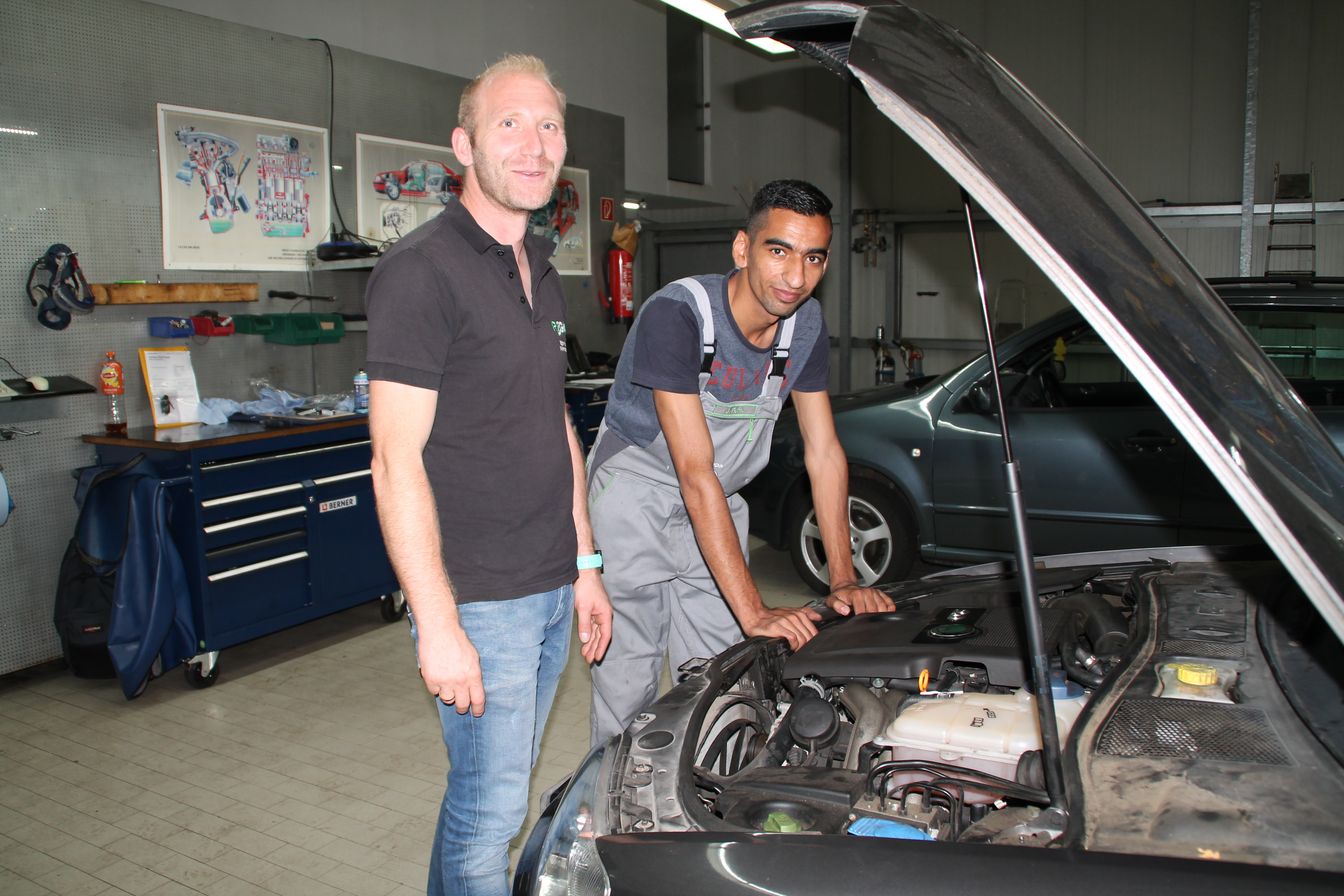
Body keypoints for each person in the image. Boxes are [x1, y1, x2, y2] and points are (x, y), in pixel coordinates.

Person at [364, 54, 612, 896]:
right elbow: (393, 459)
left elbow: (554, 425)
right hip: (480, 599)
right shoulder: (421, 271)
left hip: (549, 583)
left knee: (482, 801)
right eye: (510, 124)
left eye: (549, 125)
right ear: (463, 146)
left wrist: (585, 563)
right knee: (491, 817)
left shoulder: (540, 266)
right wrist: (437, 623)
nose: (534, 144)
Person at [588, 179, 894, 745]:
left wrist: (843, 579)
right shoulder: (678, 314)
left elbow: (824, 453)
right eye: (779, 251)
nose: (795, 277)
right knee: (628, 686)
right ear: (742, 248)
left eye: (813, 258)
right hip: (636, 502)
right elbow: (693, 471)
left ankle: (707, 791)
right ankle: (612, 798)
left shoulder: (804, 326)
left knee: (722, 682)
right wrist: (754, 609)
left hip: (716, 506)